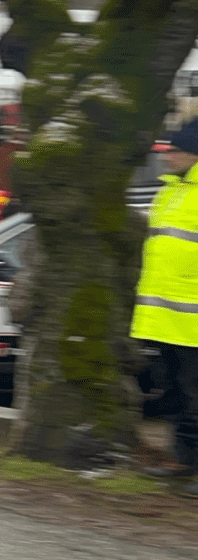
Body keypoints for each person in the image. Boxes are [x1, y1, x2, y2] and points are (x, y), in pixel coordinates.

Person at [134, 117, 198, 495]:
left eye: (174, 150)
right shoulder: (170, 191)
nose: (166, 157)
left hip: (191, 321)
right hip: (166, 319)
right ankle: (182, 459)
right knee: (176, 393)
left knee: (195, 396)